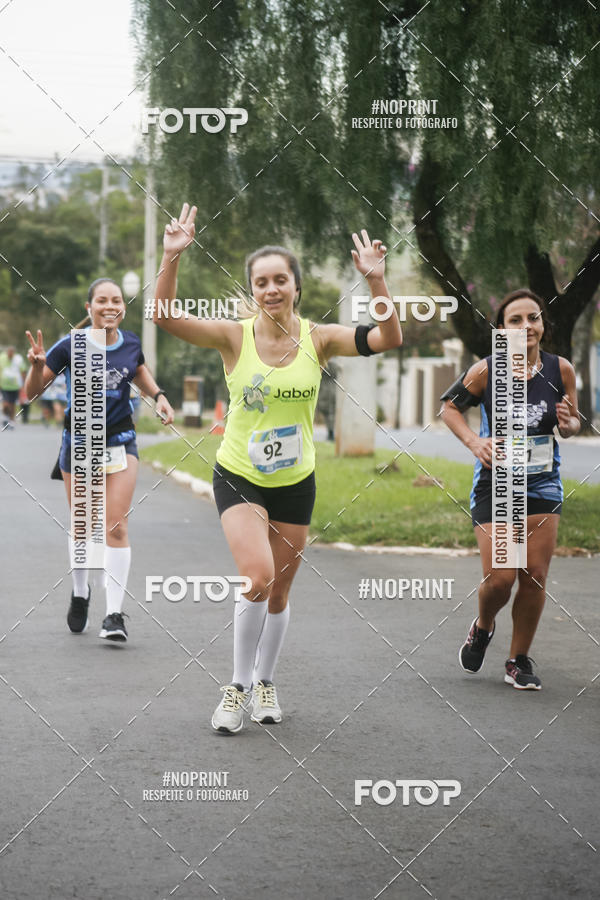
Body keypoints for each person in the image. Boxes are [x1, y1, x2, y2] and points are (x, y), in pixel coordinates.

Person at [154, 203, 402, 733]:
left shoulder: (320, 339)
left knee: (282, 592)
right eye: (261, 282)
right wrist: (172, 258)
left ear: (296, 286)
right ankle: (238, 687)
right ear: (251, 290)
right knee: (258, 577)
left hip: (296, 480)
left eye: (280, 280)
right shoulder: (234, 337)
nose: (271, 289)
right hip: (240, 474)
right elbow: (165, 318)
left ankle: (266, 680)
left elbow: (387, 340)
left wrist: (377, 283)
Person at [440, 289, 580, 690]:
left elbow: (571, 426)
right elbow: (449, 407)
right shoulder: (486, 371)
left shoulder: (561, 370)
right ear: (501, 330)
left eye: (532, 318)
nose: (525, 327)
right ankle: (483, 625)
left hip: (542, 485)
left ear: (542, 324)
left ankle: (517, 659)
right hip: (496, 486)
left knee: (534, 574)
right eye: (514, 321)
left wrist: (568, 423)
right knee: (501, 578)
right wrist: (474, 442)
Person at [25, 277, 174, 642]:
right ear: (89, 308)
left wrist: (159, 395)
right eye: (102, 301)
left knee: (115, 527)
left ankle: (113, 615)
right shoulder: (70, 345)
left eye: (117, 301)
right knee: (83, 527)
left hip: (121, 438)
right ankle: (80, 592)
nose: (110, 306)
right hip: (80, 441)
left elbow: (137, 368)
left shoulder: (132, 342)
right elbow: (32, 394)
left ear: (124, 306)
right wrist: (37, 365)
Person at [0, 345, 26, 430]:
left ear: (13, 353)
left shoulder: (18, 359)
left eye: (11, 353)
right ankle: (5, 417)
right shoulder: (2, 358)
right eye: (8, 353)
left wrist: (23, 384)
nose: (10, 355)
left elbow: (23, 371)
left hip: (15, 386)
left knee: (12, 405)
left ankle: (11, 421)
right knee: (6, 404)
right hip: (4, 386)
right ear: (7, 352)